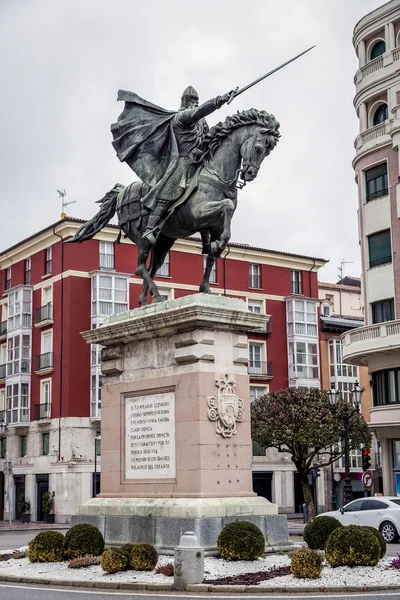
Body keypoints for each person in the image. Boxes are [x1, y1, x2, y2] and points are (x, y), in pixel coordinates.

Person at [111, 85, 234, 245]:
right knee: (171, 189)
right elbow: (201, 111)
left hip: (199, 160)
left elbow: (207, 138)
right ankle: (150, 227)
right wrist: (221, 100)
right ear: (185, 101)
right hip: (182, 161)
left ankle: (207, 234)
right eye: (192, 100)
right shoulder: (182, 117)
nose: (195, 103)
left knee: (210, 191)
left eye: (197, 101)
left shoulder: (201, 122)